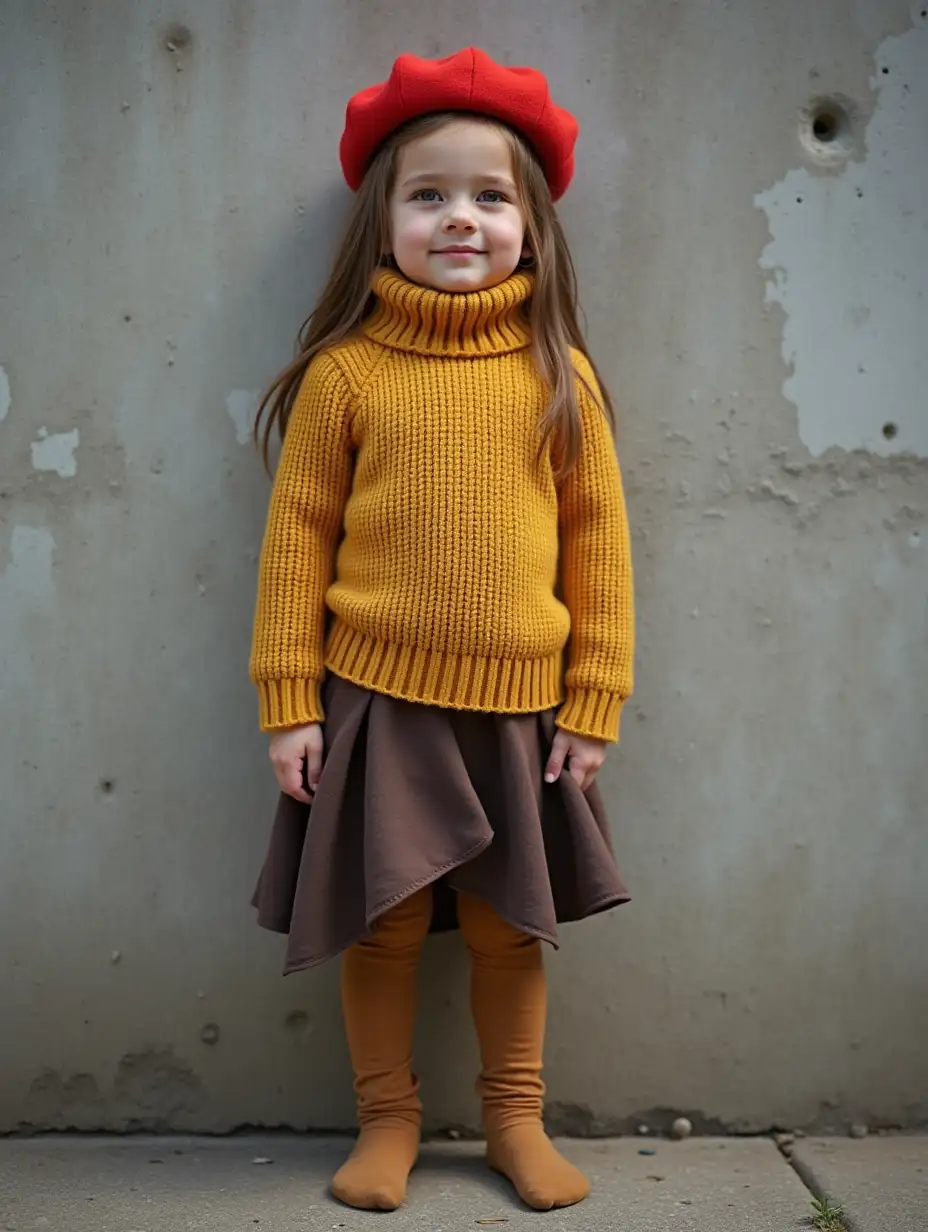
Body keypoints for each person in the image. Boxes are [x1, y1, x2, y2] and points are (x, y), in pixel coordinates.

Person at [249, 47, 635, 1213]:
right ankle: (388, 1118)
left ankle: (515, 1116)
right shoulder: (347, 376)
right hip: (378, 698)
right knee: (388, 923)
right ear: (381, 225)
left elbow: (600, 549)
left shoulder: (557, 374)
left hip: (522, 707)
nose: (457, 217)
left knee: (514, 928)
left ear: (531, 226)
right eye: (427, 194)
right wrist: (289, 705)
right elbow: (296, 541)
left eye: (488, 194)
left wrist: (594, 702)